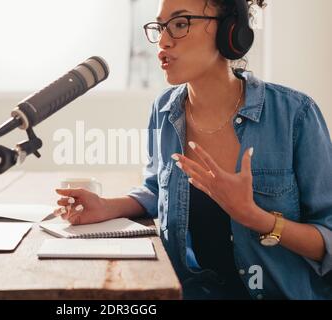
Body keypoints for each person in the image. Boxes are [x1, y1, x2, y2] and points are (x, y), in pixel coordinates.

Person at [53, 0, 332, 300]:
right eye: (160, 27)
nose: (163, 40)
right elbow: (157, 190)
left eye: (180, 23)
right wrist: (107, 206)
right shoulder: (163, 110)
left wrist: (256, 218)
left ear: (230, 30)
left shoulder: (295, 115)